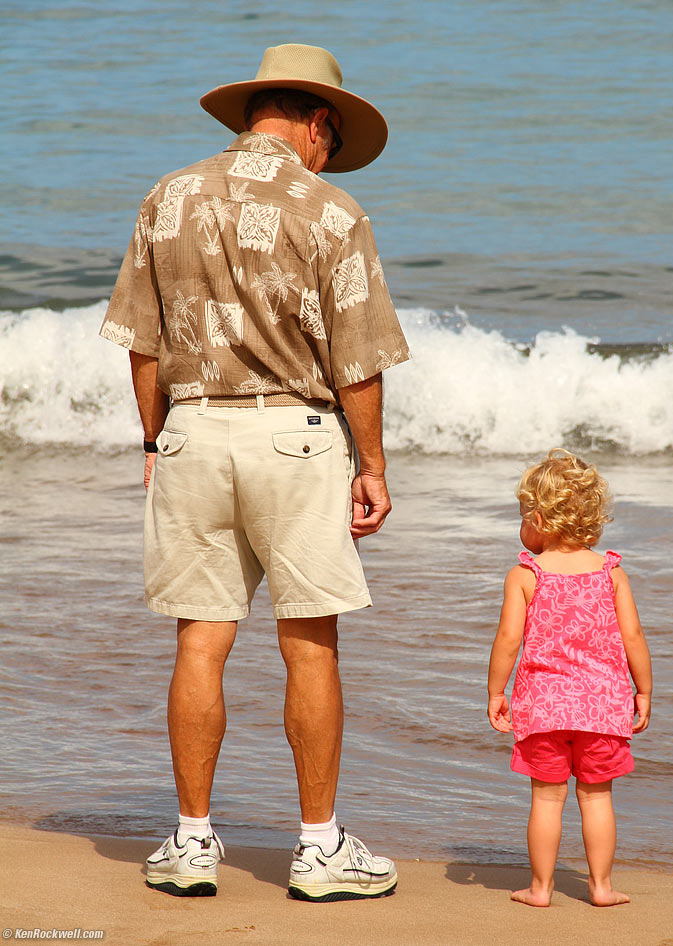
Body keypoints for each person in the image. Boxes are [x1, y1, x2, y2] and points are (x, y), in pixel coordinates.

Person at [99, 43, 409, 902]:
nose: (330, 156)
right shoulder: (334, 210)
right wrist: (373, 464)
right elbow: (360, 361)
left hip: (193, 432)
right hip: (297, 440)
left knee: (201, 638)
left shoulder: (167, 197)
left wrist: (158, 443)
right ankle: (318, 849)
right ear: (319, 124)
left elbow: (144, 348)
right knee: (309, 641)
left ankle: (193, 843)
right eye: (333, 142)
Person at [487, 449, 652, 908]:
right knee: (597, 799)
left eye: (521, 515)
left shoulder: (526, 575)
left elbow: (507, 640)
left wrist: (497, 692)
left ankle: (541, 889)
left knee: (547, 799)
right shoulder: (610, 573)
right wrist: (643, 690)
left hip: (543, 708)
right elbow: (634, 636)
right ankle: (600, 887)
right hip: (604, 707)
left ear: (538, 519)